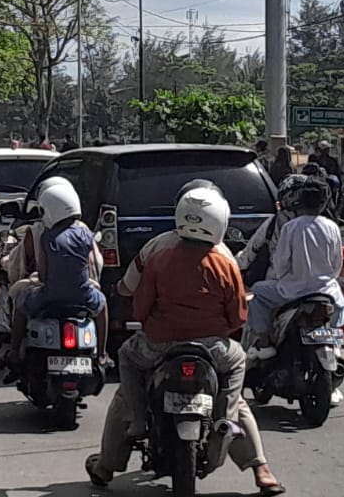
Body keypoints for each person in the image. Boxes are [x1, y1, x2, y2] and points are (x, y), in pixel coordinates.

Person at [113, 177, 281, 495]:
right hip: (212, 349)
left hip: (158, 345)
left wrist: (155, 323)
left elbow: (139, 306)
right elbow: (238, 316)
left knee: (126, 361)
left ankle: (129, 432)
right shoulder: (225, 259)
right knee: (237, 374)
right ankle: (241, 442)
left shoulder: (158, 253)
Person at [6, 179, 105, 380]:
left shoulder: (46, 236)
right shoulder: (86, 234)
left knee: (21, 305)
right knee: (102, 305)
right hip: (83, 296)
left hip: (50, 297)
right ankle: (102, 353)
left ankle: (14, 351)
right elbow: (92, 266)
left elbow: (43, 275)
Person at [245, 176, 344, 362]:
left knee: (257, 292)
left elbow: (281, 264)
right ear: (324, 203)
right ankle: (335, 344)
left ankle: (264, 345)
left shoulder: (290, 227)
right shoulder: (332, 227)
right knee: (340, 306)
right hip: (326, 291)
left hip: (291, 291)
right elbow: (336, 264)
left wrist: (286, 279)